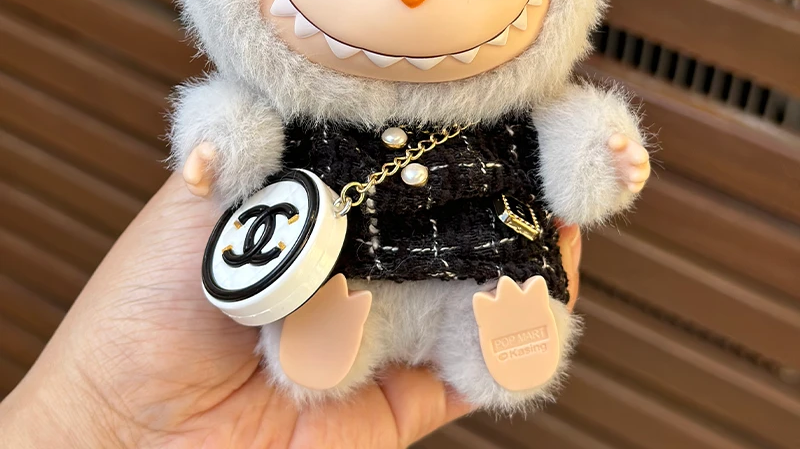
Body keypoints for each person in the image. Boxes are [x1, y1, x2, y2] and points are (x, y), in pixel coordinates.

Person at [0, 173, 581, 448]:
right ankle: (322, 342)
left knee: (498, 294)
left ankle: (503, 336)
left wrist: (601, 158)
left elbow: (577, 165)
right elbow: (235, 130)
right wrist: (223, 142)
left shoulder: (514, 111)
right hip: (347, 269)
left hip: (478, 261)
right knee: (328, 304)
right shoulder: (302, 104)